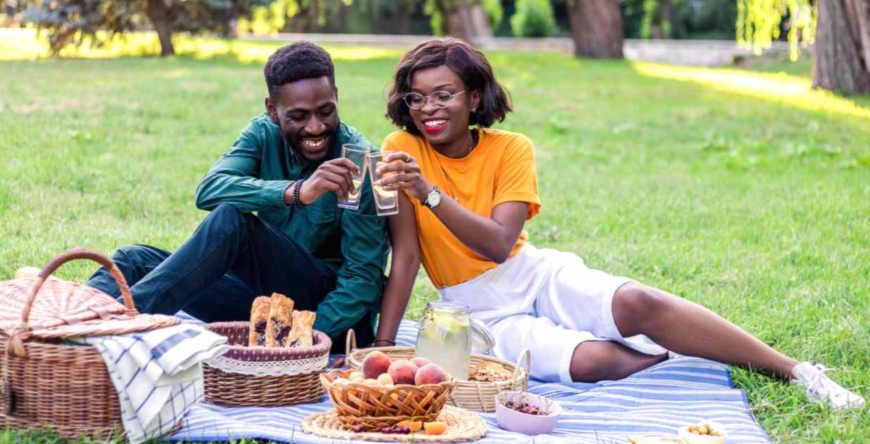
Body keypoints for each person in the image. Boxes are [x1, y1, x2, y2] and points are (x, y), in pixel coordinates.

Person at [373, 38, 865, 410]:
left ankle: (796, 371)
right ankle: (677, 356)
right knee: (594, 362)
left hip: (529, 272)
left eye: (444, 95)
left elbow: (500, 244)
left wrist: (428, 193)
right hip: (477, 308)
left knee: (639, 302)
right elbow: (408, 256)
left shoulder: (511, 149)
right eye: (417, 98)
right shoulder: (401, 149)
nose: (429, 109)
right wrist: (382, 350)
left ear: (475, 98)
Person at [86, 42, 390, 350]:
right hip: (268, 305)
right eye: (298, 116)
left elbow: (363, 280)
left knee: (232, 221)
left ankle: (118, 330)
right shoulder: (263, 133)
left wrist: (302, 338)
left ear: (336, 96)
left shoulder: (361, 163)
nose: (315, 127)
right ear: (272, 110)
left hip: (328, 318)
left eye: (325, 111)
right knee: (133, 260)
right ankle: (70, 327)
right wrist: (296, 192)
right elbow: (210, 189)